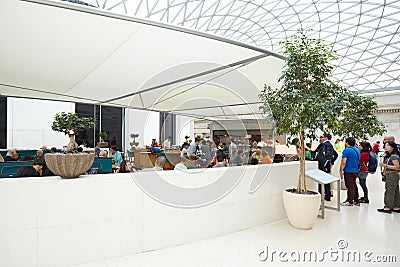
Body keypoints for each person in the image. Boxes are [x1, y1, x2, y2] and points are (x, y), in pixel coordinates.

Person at [377, 141, 400, 213]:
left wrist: (385, 166)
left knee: (389, 190)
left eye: (388, 145)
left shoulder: (393, 156)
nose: (386, 147)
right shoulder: (390, 155)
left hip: (392, 174)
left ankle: (388, 207)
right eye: (385, 145)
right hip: (391, 174)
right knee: (395, 190)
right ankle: (396, 206)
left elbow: (397, 167)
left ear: (392, 147)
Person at [315, 134, 338, 201]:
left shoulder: (325, 145)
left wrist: (328, 162)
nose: (320, 139)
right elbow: (335, 154)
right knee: (326, 180)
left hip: (322, 166)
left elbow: (326, 156)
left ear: (326, 138)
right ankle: (327, 195)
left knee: (321, 180)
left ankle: (322, 194)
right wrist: (331, 162)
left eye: (322, 137)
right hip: (325, 166)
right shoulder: (328, 145)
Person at [340, 137, 361, 206]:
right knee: (354, 185)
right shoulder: (357, 150)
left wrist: (340, 170)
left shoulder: (347, 150)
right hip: (355, 170)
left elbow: (344, 161)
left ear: (347, 143)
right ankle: (356, 200)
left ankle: (349, 201)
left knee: (350, 186)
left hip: (348, 170)